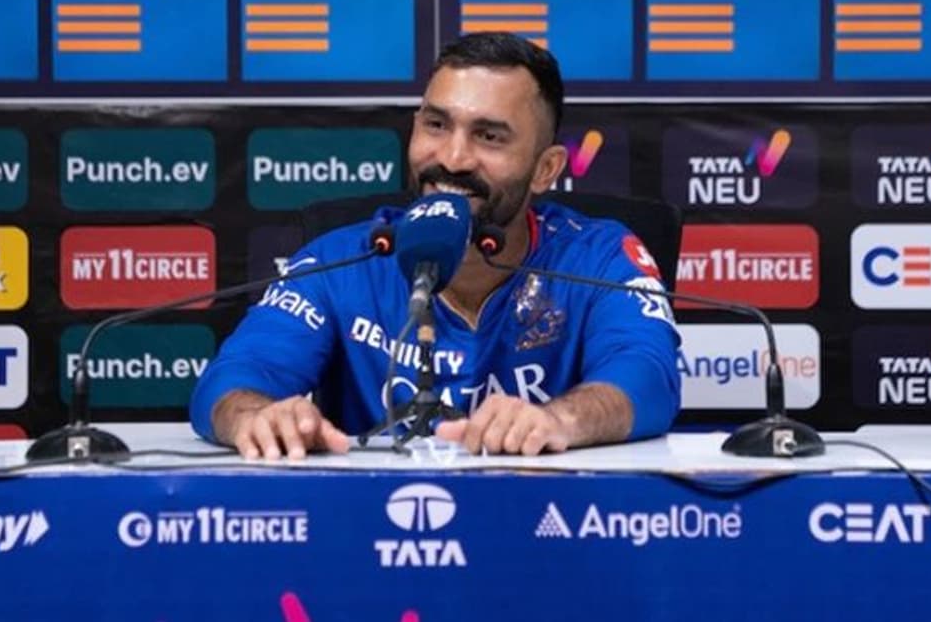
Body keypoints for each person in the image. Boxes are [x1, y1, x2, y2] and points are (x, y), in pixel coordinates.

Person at [190, 32, 681, 459]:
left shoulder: (597, 256)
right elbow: (233, 379)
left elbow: (649, 376)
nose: (452, 158)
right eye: (437, 125)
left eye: (489, 136)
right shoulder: (340, 260)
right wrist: (254, 417)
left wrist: (559, 421)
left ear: (546, 169)